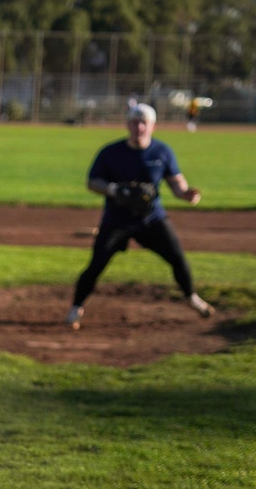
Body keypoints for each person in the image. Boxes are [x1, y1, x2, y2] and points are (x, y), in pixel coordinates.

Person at [66, 103, 211, 330]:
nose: (139, 126)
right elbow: (92, 182)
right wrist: (114, 190)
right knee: (96, 264)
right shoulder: (111, 152)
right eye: (134, 122)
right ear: (128, 125)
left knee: (177, 257)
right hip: (116, 220)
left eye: (144, 122)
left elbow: (176, 182)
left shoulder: (162, 152)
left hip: (152, 219)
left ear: (153, 126)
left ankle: (191, 297)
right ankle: (76, 308)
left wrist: (185, 193)